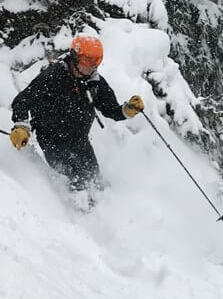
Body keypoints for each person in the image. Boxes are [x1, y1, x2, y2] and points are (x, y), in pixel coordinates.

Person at [9, 34, 144, 191]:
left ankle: (106, 208)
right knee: (77, 177)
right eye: (86, 60)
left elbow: (111, 110)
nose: (91, 66)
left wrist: (127, 110)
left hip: (80, 141)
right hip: (52, 139)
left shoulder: (94, 82)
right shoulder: (53, 76)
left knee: (95, 180)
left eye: (95, 61)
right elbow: (23, 100)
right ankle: (74, 211)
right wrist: (21, 125)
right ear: (74, 56)